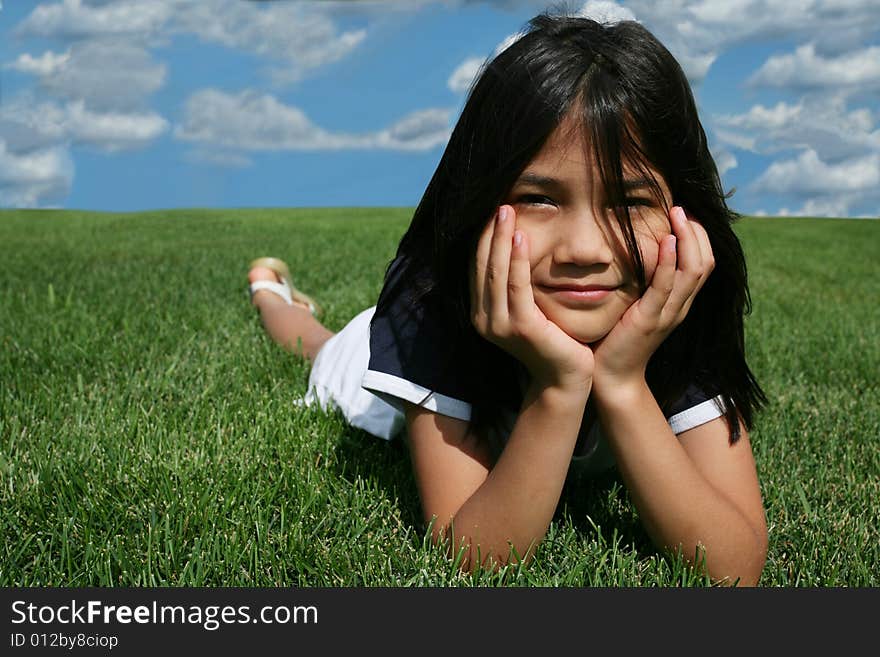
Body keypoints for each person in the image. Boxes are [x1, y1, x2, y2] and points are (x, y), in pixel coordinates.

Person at [247, 13, 769, 586]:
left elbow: (733, 568)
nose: (585, 249)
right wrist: (558, 384)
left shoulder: (684, 307)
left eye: (629, 201)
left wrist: (621, 380)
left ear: (685, 215)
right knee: (317, 345)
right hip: (389, 348)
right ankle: (269, 287)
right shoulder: (431, 306)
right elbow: (474, 559)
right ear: (477, 197)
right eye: (539, 198)